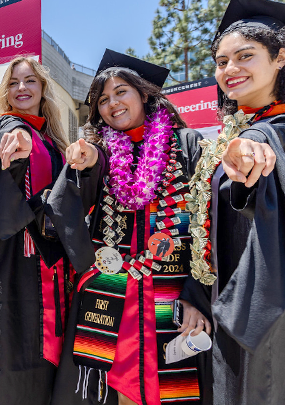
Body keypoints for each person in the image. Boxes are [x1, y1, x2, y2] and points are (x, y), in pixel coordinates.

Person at [47, 50, 211, 405]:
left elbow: (206, 225)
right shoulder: (100, 152)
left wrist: (197, 296)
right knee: (104, 389)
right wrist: (84, 167)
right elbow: (63, 207)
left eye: (121, 92)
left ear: (144, 93)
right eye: (103, 99)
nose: (113, 104)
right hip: (111, 290)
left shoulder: (187, 146)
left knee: (170, 383)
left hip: (171, 294)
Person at [191, 0, 285, 403]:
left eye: (245, 56)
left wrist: (252, 143)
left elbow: (267, 143)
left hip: (267, 317)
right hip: (228, 303)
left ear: (281, 58)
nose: (230, 69)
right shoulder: (240, 130)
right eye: (222, 61)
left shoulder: (265, 132)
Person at [0, 56, 71, 404]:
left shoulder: (53, 139)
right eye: (13, 83)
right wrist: (16, 148)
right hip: (15, 260)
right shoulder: (8, 127)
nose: (21, 88)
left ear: (43, 87)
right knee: (13, 346)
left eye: (29, 81)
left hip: (53, 262)